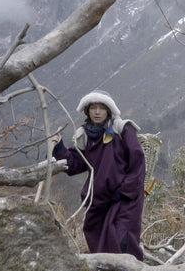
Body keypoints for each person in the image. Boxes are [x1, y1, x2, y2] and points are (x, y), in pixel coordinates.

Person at [52, 90, 146, 260]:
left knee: (122, 240)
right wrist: (58, 146)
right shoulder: (85, 135)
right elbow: (75, 164)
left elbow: (138, 163)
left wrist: (125, 191)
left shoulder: (123, 129)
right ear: (87, 111)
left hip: (125, 199)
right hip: (98, 199)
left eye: (101, 108)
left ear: (108, 110)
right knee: (98, 240)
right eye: (93, 108)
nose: (97, 112)